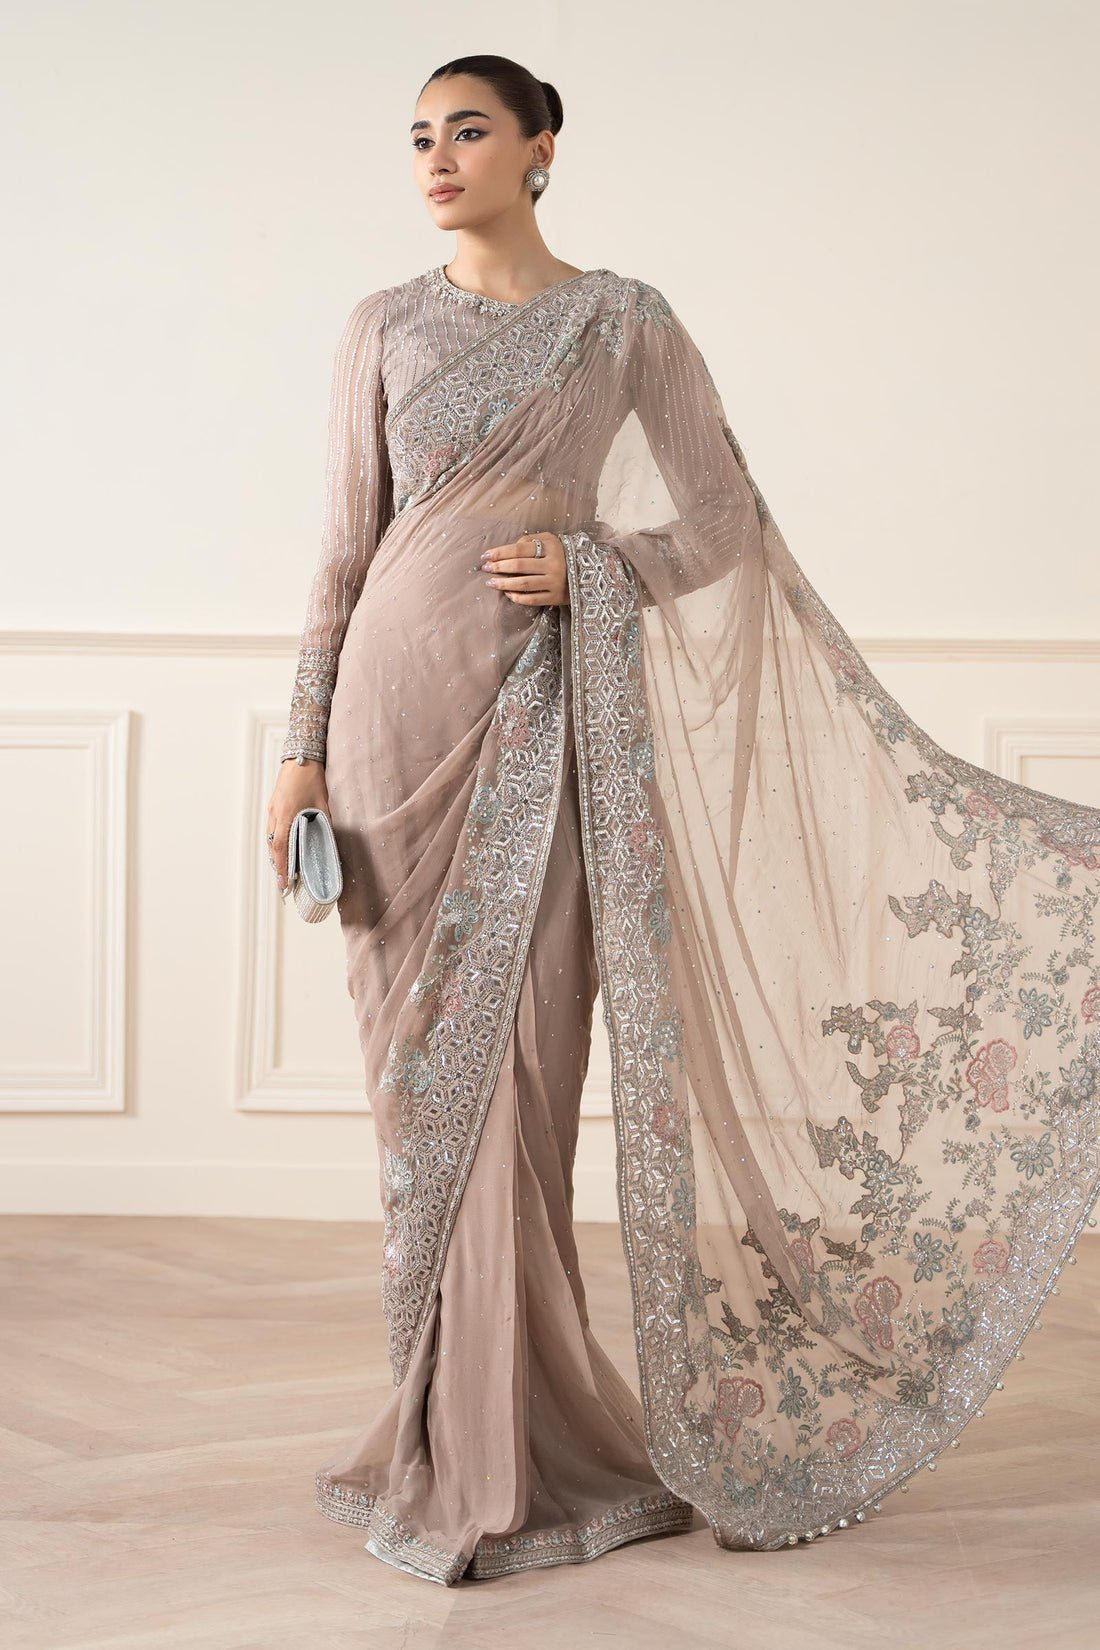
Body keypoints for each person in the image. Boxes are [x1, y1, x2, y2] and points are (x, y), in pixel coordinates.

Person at [265, 53, 1100, 1585]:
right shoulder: (380, 324)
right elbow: (340, 550)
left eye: (469, 131)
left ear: (542, 148)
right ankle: (447, 1432)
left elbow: (718, 520)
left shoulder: (623, 323)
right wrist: (298, 750)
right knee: (418, 1101)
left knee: (523, 1082)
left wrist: (591, 561)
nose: (437, 158)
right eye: (420, 137)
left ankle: (513, 1450)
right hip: (389, 728)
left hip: (543, 729)